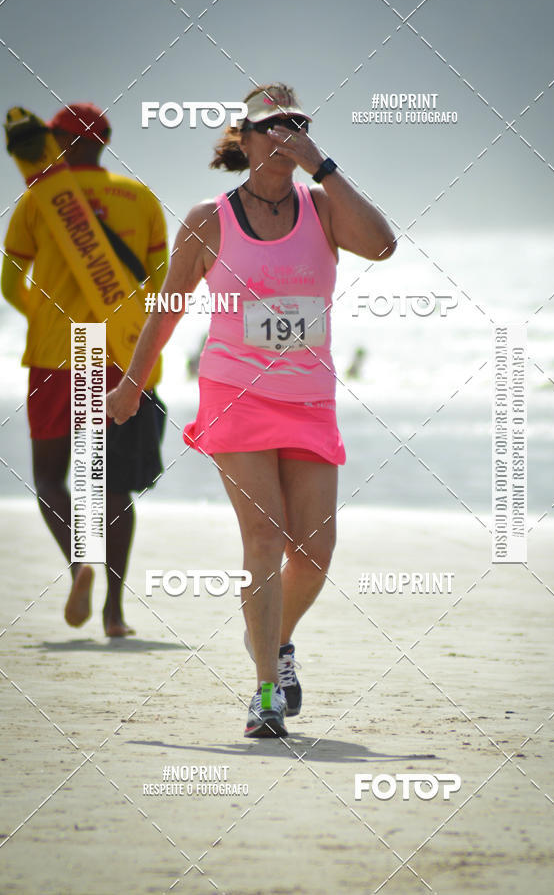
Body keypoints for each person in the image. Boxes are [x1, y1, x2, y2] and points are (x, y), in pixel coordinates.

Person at [107, 82, 396, 734]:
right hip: (235, 394)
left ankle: (272, 638)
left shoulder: (323, 208)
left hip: (309, 398)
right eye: (273, 125)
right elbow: (167, 308)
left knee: (314, 553)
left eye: (298, 123)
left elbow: (382, 246)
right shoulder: (210, 219)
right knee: (264, 538)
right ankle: (266, 693)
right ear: (245, 136)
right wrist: (131, 384)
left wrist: (322, 166)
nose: (286, 135)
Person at [1, 103, 168, 636]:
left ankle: (80, 566)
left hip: (57, 355)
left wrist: (46, 315)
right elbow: (163, 288)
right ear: (104, 141)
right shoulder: (141, 198)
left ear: (61, 142)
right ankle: (114, 613)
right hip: (121, 357)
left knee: (51, 478)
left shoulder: (38, 199)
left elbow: (8, 281)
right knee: (113, 488)